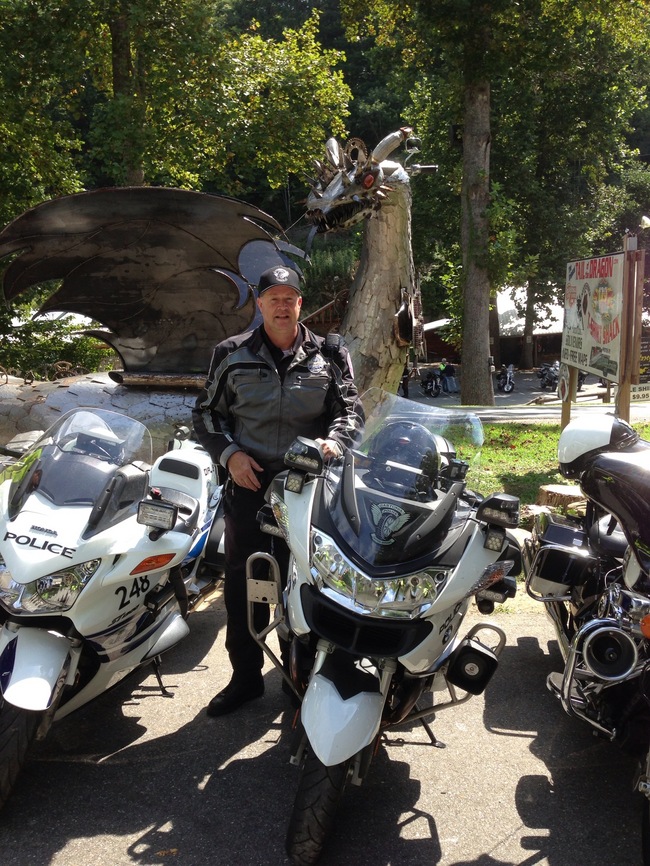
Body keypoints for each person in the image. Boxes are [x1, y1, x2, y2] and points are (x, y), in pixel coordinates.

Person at [192, 264, 364, 717]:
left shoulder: (329, 353)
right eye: (274, 299)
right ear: (260, 304)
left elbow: (350, 411)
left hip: (308, 489)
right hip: (249, 485)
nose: (282, 306)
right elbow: (207, 414)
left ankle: (298, 675)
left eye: (290, 299)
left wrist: (335, 441)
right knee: (244, 584)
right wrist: (229, 454)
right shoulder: (231, 354)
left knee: (304, 581)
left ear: (300, 304)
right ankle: (245, 678)